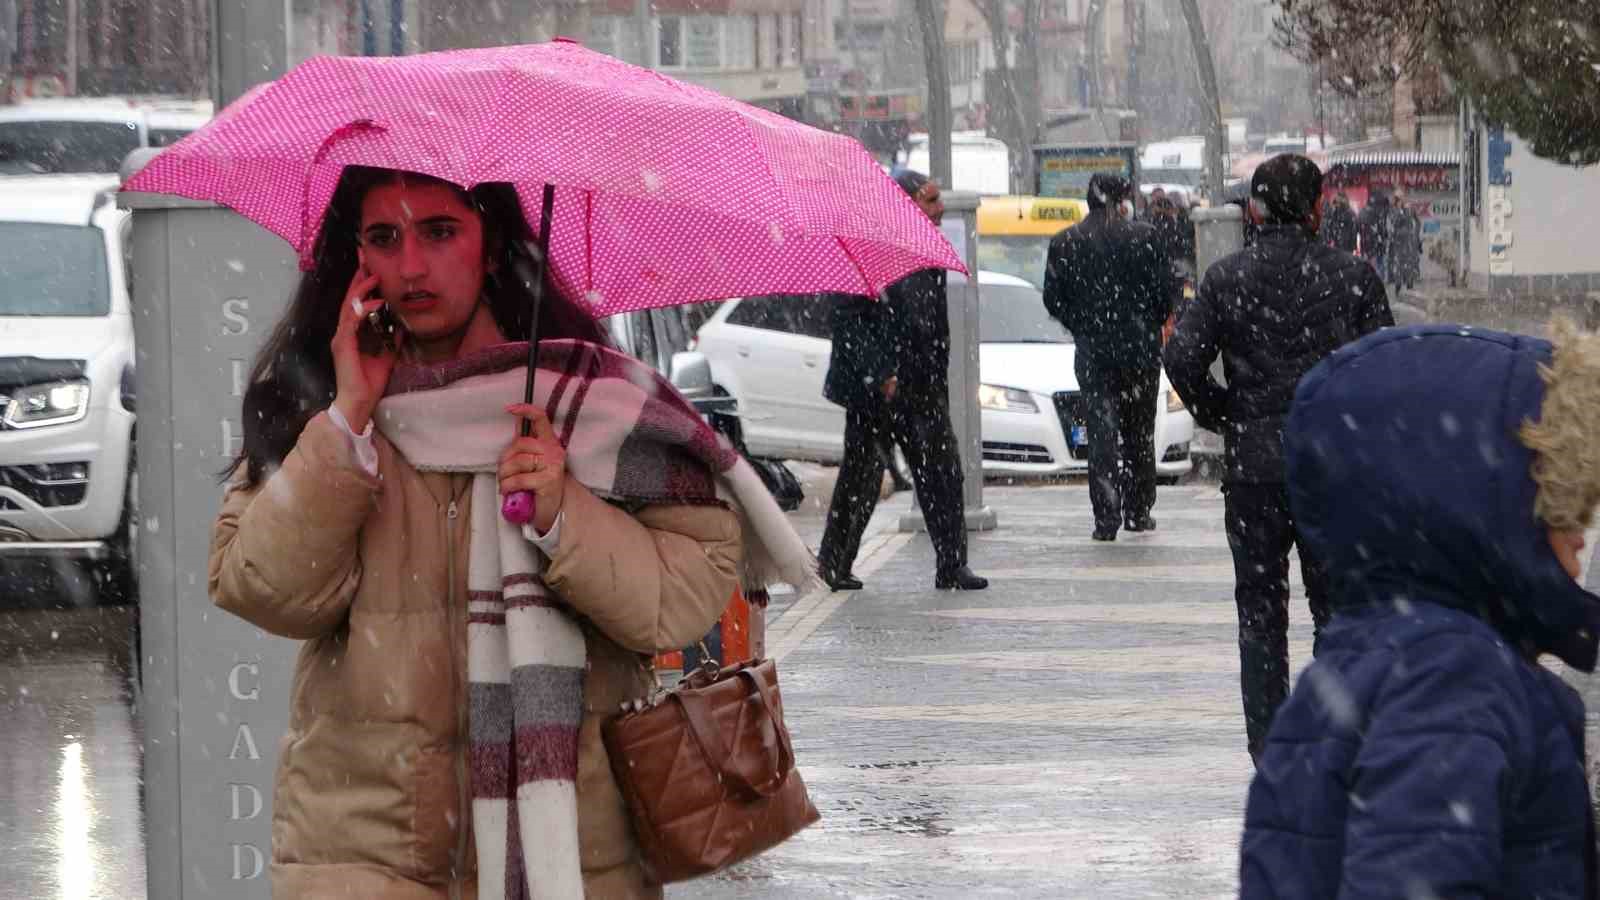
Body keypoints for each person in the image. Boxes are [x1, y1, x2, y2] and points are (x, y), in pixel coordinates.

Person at [206, 165, 811, 898]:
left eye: (439, 232)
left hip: (575, 857)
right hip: (363, 856)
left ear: (492, 248)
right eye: (384, 237)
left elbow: (675, 608)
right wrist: (348, 422)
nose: (411, 265)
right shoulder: (322, 405)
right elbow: (264, 590)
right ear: (357, 257)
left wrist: (562, 514)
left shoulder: (594, 405)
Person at [1241, 321, 1600, 897]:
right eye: (1563, 506)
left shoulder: (1373, 660)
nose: (1582, 537)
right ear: (1493, 513)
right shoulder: (1451, 682)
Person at [1162, 154, 1393, 763]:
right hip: (1331, 471)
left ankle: (1270, 748)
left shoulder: (1226, 278)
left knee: (1260, 614)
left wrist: (1227, 414)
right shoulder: (1353, 278)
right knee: (1338, 612)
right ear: (1317, 208)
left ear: (1257, 210)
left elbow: (1181, 359)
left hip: (1254, 471)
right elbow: (1387, 373)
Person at [816, 169, 988, 592]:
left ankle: (952, 564)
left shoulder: (926, 247)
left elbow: (932, 324)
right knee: (861, 476)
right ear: (905, 202)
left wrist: (934, 376)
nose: (940, 207)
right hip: (877, 392)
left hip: (922, 386)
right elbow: (849, 320)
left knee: (943, 474)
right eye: (930, 199)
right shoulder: (867, 247)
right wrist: (882, 372)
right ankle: (833, 565)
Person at [1042, 173, 1175, 541]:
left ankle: (1105, 518)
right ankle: (1138, 509)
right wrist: (1145, 323)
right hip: (1139, 351)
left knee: (1101, 434)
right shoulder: (1145, 238)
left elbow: (1052, 299)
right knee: (1138, 431)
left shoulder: (1065, 242)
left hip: (1093, 353)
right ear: (1122, 200)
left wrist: (1082, 325)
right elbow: (1166, 294)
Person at [1355, 187, 1393, 283]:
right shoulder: (1379, 213)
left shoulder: (1364, 212)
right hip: (1375, 243)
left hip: (1368, 243)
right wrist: (1383, 237)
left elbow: (1358, 229)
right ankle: (1379, 280)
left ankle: (1369, 280)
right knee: (1378, 263)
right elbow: (1382, 229)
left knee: (1371, 262)